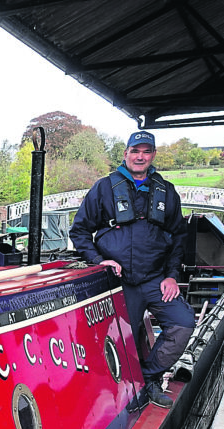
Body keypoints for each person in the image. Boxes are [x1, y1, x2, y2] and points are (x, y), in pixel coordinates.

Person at [69, 131, 194, 410]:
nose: (140, 156)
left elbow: (178, 238)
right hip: (117, 282)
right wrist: (97, 259)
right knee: (120, 336)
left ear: (153, 156)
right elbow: (79, 231)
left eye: (146, 151)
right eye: (135, 151)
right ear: (125, 153)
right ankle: (116, 396)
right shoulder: (103, 188)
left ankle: (148, 378)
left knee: (183, 322)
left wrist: (172, 275)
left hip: (154, 279)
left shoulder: (167, 191)